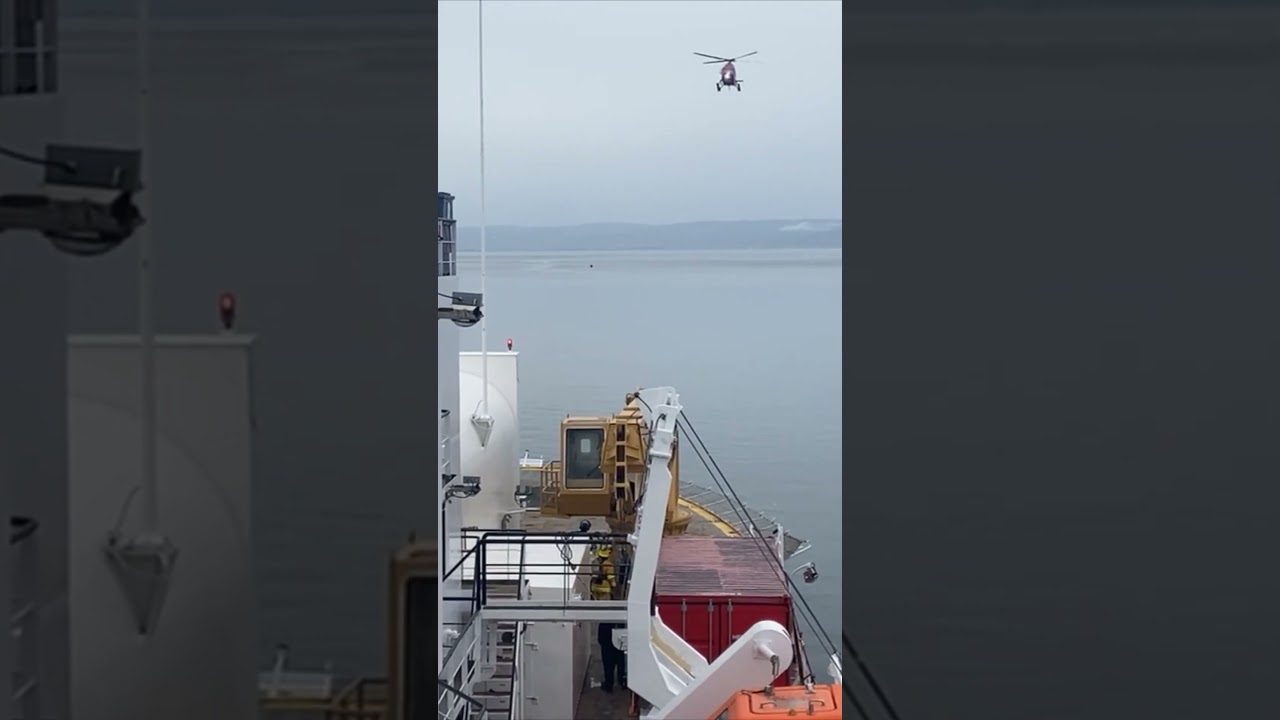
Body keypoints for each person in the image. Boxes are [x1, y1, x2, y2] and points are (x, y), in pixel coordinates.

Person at [597, 621, 626, 693]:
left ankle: (609, 684)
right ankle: (622, 680)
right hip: (619, 625)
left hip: (606, 630)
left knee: (607, 660)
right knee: (620, 655)